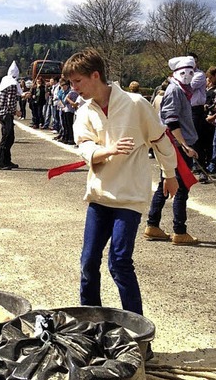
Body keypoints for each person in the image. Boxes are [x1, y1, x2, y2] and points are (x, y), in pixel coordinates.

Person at [63, 48, 178, 326]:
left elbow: (161, 140)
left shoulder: (137, 104)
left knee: (119, 262)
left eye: (77, 81)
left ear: (95, 75)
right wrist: (107, 150)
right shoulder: (84, 111)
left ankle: (137, 330)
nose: (73, 88)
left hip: (129, 197)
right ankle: (90, 325)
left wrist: (170, 174)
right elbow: (84, 146)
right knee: (89, 263)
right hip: (99, 195)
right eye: (71, 83)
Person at [145, 56, 199, 244]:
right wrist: (184, 145)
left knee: (166, 186)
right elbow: (171, 120)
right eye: (183, 72)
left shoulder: (182, 90)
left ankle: (153, 225)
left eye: (191, 72)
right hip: (177, 147)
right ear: (175, 73)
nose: (187, 76)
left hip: (176, 145)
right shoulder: (175, 90)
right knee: (180, 189)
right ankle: (179, 231)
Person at [0, 61, 22, 170]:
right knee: (7, 138)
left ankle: (6, 160)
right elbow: (10, 102)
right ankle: (0, 162)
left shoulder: (4, 81)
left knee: (9, 137)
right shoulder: (12, 85)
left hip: (2, 113)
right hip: (7, 114)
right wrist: (17, 111)